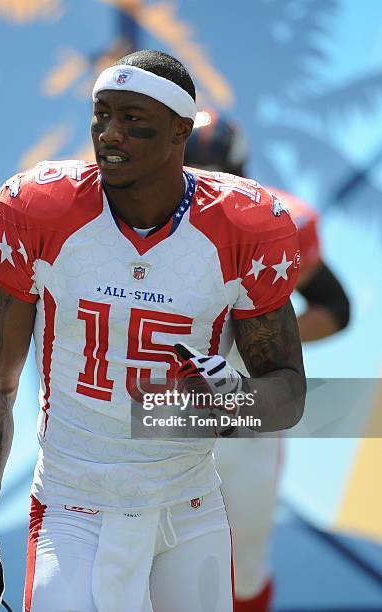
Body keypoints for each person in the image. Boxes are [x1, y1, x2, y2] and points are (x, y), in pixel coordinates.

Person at [0, 51, 306, 612]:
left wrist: (236, 402)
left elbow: (289, 393)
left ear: (182, 130)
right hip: (72, 503)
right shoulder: (40, 211)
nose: (110, 133)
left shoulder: (242, 227)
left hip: (190, 506)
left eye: (133, 118)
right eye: (102, 114)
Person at [184, 107, 350, 612]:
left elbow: (336, 307)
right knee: (146, 559)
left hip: (242, 420)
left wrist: (266, 345)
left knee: (241, 571)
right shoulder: (125, 219)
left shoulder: (280, 221)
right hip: (164, 409)